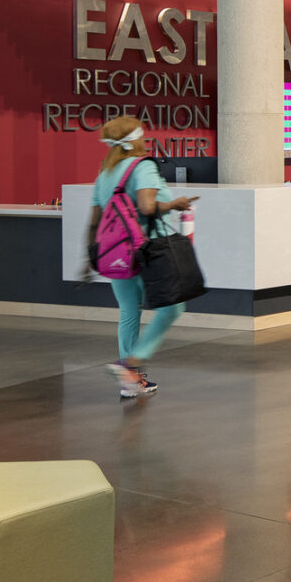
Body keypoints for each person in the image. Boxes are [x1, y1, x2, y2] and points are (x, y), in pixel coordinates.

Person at [82, 115, 196, 398]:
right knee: (173, 308)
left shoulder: (104, 174)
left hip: (114, 253)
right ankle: (131, 363)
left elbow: (94, 221)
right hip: (147, 251)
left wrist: (89, 258)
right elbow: (147, 207)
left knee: (129, 312)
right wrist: (175, 203)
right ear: (135, 138)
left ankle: (129, 381)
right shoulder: (141, 166)